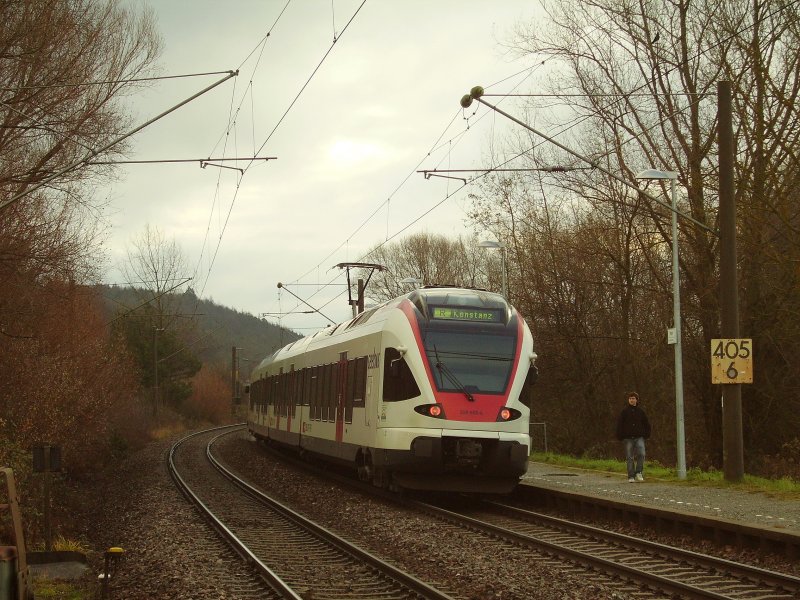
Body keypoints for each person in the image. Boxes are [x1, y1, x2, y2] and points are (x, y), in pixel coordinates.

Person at [615, 391, 651, 482]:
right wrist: (620, 435)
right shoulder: (624, 412)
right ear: (628, 400)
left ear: (637, 400)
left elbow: (646, 424)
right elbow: (620, 424)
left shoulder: (641, 412)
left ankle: (638, 472)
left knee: (641, 454)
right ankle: (631, 476)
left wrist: (646, 434)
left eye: (633, 398)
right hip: (627, 438)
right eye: (630, 398)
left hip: (639, 437)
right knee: (629, 457)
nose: (631, 400)